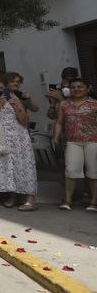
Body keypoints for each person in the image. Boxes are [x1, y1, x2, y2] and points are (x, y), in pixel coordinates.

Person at [0, 79, 38, 211]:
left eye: (1, 88)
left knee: (25, 166)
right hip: (1, 139)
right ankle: (12, 196)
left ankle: (30, 199)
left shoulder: (15, 100)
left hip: (19, 138)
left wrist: (17, 107)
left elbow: (25, 121)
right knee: (6, 168)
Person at [53, 78, 97, 211]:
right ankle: (68, 201)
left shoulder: (94, 104)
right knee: (71, 171)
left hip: (93, 141)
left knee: (93, 172)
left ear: (87, 88)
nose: (76, 89)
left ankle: (94, 203)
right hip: (72, 142)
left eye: (80, 87)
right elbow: (60, 122)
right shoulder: (64, 104)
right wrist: (56, 137)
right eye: (73, 87)